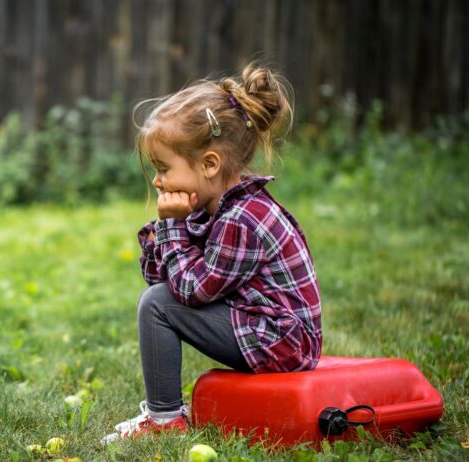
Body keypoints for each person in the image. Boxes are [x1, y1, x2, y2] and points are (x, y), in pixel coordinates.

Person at [101, 64, 322, 444]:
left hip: (283, 340)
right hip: (266, 328)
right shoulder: (213, 207)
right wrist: (173, 228)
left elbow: (188, 292)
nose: (157, 181)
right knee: (157, 299)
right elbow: (162, 277)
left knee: (156, 306)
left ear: (209, 164)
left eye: (163, 168)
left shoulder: (243, 218)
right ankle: (164, 416)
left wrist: (170, 226)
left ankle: (165, 419)